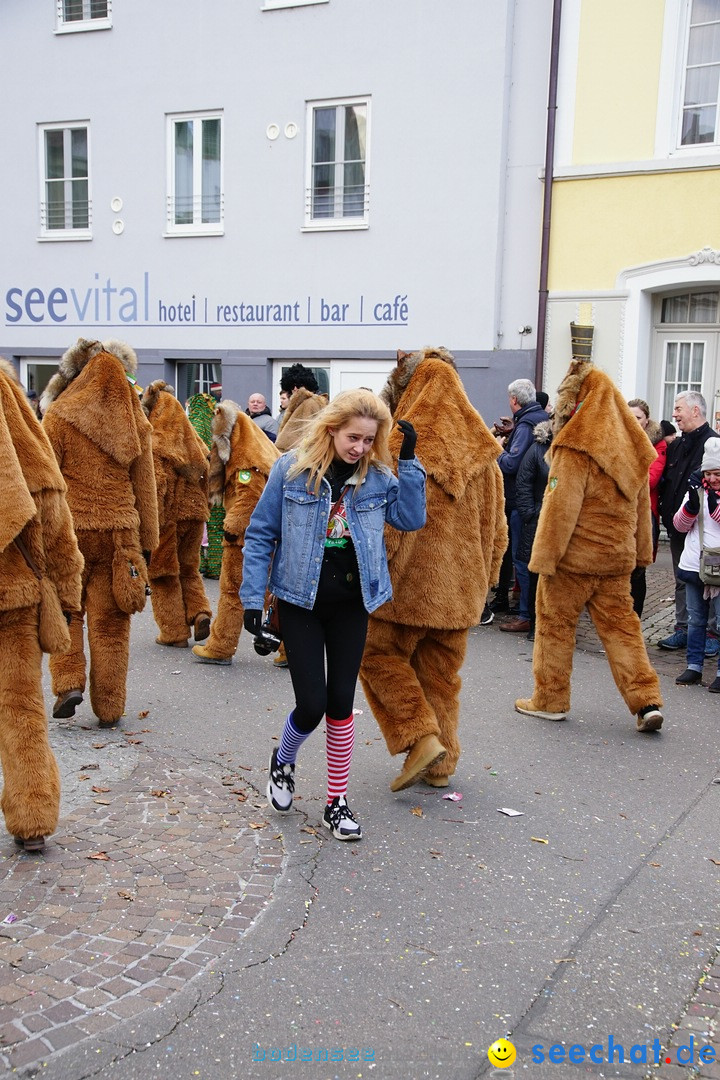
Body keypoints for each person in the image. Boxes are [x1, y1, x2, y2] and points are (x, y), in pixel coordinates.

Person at [240, 388, 426, 841]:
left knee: (342, 703)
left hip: (351, 603)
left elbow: (411, 519)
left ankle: (335, 802)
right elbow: (261, 534)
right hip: (299, 601)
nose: (360, 447)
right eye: (353, 438)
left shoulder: (379, 476)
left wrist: (411, 465)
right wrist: (251, 601)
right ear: (332, 429)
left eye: (368, 440)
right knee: (313, 705)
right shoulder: (291, 470)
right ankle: (283, 761)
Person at [360, 347, 507, 789]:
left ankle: (420, 737)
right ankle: (442, 767)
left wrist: (370, 576)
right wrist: (489, 581)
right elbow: (497, 529)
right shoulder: (485, 452)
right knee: (441, 676)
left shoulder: (404, 442)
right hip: (461, 591)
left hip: (405, 590)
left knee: (374, 655)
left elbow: (389, 526)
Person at [515, 324, 664, 734]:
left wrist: (541, 558)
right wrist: (642, 553)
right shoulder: (633, 448)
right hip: (615, 560)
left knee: (554, 626)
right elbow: (641, 511)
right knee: (623, 629)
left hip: (574, 560)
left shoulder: (574, 446)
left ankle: (550, 698)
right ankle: (646, 700)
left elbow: (559, 508)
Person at [42, 338, 159, 727]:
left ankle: (67, 683)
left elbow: (46, 479)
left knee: (68, 612)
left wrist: (42, 535)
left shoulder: (59, 415)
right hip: (119, 532)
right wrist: (149, 545)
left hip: (72, 529)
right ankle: (109, 706)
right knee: (112, 623)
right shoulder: (135, 422)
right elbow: (146, 489)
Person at [0, 358, 83, 852]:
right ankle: (32, 817)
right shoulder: (25, 438)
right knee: (20, 705)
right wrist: (68, 597)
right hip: (17, 594)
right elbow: (55, 522)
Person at [192, 403, 279, 665]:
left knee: (232, 591)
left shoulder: (245, 461)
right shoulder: (258, 454)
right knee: (263, 592)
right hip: (258, 537)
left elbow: (248, 499)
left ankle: (221, 646)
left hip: (244, 539)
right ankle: (290, 645)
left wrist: (231, 529)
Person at [141, 381, 212, 648]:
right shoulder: (193, 441)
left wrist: (150, 523)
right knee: (189, 567)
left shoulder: (157, 443)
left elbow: (156, 486)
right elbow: (206, 475)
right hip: (195, 515)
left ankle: (173, 632)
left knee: (162, 573)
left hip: (168, 516)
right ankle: (199, 612)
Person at [657, 391, 719, 652]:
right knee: (683, 578)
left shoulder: (714, 444)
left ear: (695, 410)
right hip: (679, 526)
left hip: (709, 532)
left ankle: (712, 634)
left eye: (678, 408)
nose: (674, 414)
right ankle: (683, 628)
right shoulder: (677, 445)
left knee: (713, 580)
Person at [494, 379, 549, 631]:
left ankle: (527, 615)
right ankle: (528, 612)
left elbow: (511, 464)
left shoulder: (527, 424)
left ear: (514, 400)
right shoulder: (537, 417)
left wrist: (496, 448)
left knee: (521, 559)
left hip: (522, 502)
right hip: (532, 503)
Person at [671, 438, 720, 692]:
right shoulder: (696, 490)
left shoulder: (712, 496)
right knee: (696, 618)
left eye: (717, 473)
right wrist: (691, 505)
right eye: (708, 473)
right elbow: (679, 526)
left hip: (719, 565)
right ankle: (694, 666)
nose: (712, 479)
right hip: (694, 563)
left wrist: (713, 503)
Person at [514, 418, 553, 641]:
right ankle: (534, 623)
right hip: (538, 520)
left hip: (564, 523)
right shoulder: (538, 448)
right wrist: (531, 512)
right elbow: (524, 482)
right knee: (534, 574)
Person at [627, 398, 665, 617]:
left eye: (638, 417)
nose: (633, 421)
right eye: (630, 416)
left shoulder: (657, 444)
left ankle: (635, 618)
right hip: (621, 512)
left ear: (646, 420)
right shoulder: (620, 439)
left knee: (638, 571)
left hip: (645, 514)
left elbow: (651, 479)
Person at [187, 391, 225, 579]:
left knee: (199, 525)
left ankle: (200, 565)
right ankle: (215, 566)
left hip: (201, 483)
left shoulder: (193, 429)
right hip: (219, 481)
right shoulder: (222, 426)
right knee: (216, 525)